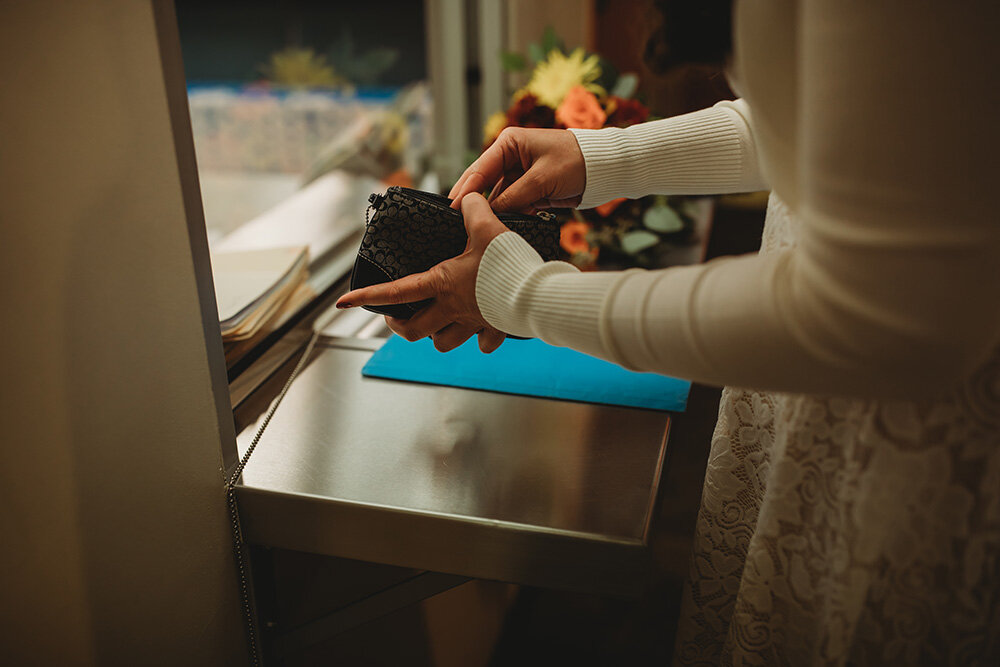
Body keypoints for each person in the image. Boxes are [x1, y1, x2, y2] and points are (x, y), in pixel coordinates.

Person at [337, 1, 1000, 662]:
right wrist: (602, 156)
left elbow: (886, 312)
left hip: (911, 452)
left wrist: (528, 294)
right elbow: (836, 122)